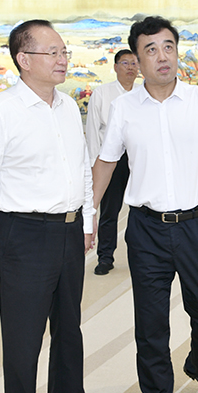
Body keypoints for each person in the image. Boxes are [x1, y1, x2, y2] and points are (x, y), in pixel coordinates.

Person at [0, 19, 113, 393]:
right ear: (24, 60)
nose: (63, 59)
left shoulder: (66, 107)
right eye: (53, 52)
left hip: (68, 231)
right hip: (23, 235)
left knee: (69, 327)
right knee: (24, 338)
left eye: (64, 51)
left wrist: (86, 221)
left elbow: (81, 168)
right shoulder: (0, 112)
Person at [92, 16, 198, 393]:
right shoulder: (125, 107)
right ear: (137, 61)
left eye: (168, 47)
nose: (162, 56)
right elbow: (106, 161)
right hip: (146, 230)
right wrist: (89, 214)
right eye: (151, 50)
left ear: (177, 52)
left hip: (196, 225)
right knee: (151, 324)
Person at [85, 48, 139, 276]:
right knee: (109, 210)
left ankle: (141, 255)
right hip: (110, 159)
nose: (130, 67)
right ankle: (105, 257)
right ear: (115, 67)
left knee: (141, 209)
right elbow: (92, 130)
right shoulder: (102, 93)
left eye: (134, 63)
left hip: (138, 158)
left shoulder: (144, 93)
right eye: (125, 63)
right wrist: (94, 164)